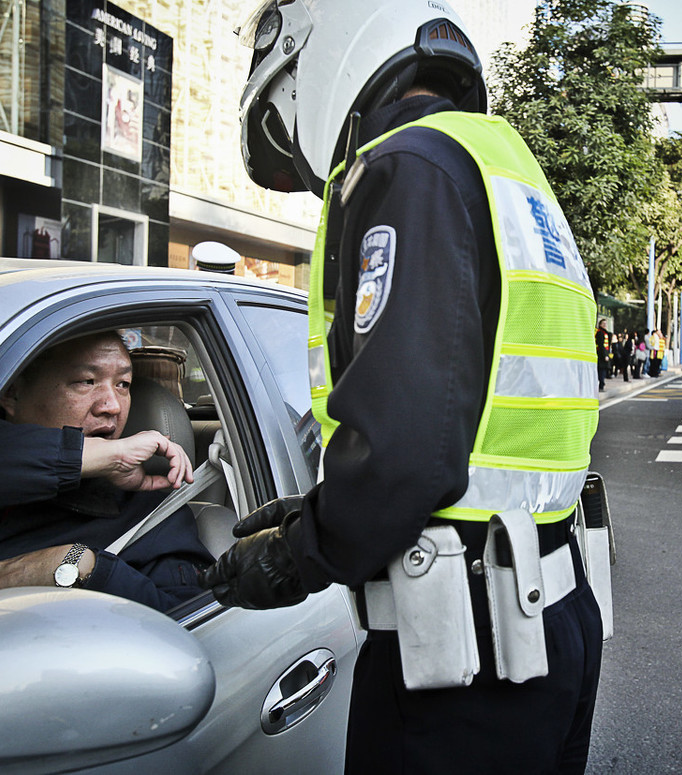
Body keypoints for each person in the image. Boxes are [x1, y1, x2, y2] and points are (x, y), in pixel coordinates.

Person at [200, 2, 604, 771]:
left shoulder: (405, 167)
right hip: (545, 625)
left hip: (461, 668)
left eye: (287, 120)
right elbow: (475, 413)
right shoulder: (506, 173)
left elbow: (406, 455)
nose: (310, 163)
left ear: (312, 63)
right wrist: (324, 506)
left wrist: (300, 550)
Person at [0, 331, 213, 648]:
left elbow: (191, 630)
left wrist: (81, 565)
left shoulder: (149, 515)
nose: (111, 406)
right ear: (12, 395)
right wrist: (106, 456)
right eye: (86, 381)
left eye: (123, 384)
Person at [595, 320, 611, 390]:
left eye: (605, 323)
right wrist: (605, 355)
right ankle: (601, 385)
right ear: (600, 325)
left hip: (604, 353)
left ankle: (601, 384)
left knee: (603, 370)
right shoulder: (600, 333)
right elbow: (601, 345)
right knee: (601, 370)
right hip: (601, 354)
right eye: (603, 324)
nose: (605, 325)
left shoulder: (605, 333)